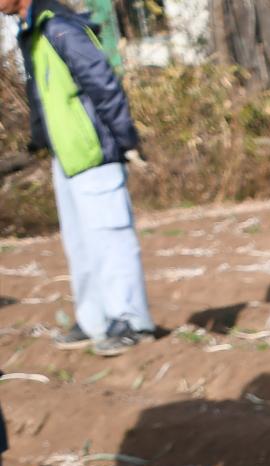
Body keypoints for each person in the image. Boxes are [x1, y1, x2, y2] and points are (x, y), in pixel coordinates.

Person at [8, 0, 154, 355]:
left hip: (94, 150)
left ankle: (132, 321)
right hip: (68, 157)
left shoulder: (60, 27)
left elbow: (102, 81)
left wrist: (126, 139)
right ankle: (96, 321)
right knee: (81, 245)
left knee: (110, 238)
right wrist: (39, 141)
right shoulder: (35, 30)